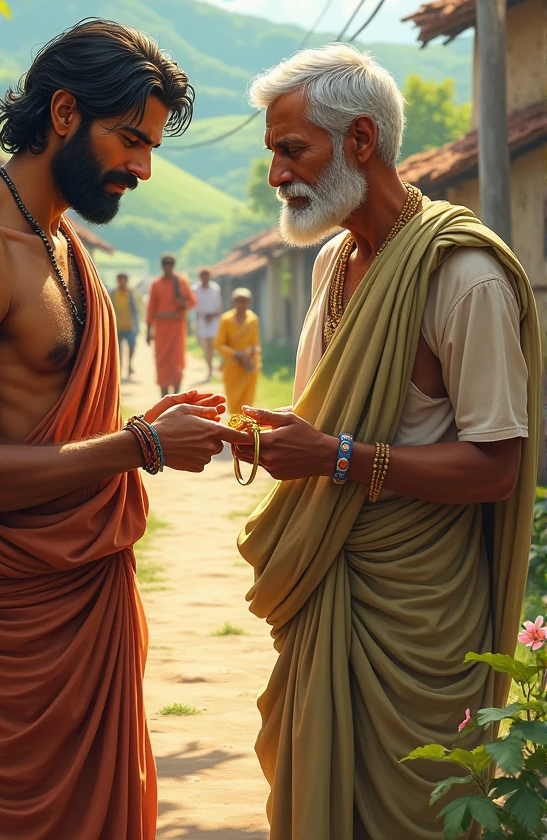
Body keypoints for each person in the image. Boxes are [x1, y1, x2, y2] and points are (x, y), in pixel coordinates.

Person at [0, 19, 244, 840]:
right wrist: (141, 448)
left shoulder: (62, 243)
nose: (143, 167)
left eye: (151, 146)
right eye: (131, 140)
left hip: (89, 599)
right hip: (12, 635)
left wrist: (142, 426)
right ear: (63, 113)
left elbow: (50, 424)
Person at [232, 44, 541, 840]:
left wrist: (334, 459)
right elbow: (339, 415)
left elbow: (498, 468)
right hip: (329, 587)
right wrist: (283, 441)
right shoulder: (335, 259)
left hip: (420, 624)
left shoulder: (462, 276)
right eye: (273, 153)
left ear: (360, 141)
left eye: (290, 149)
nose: (276, 175)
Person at [146, 254, 196, 397]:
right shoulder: (156, 284)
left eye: (170, 264)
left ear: (173, 266)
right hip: (161, 328)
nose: (168, 267)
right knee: (162, 359)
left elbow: (192, 301)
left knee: (177, 360)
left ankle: (176, 395)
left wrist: (183, 304)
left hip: (177, 327)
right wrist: (149, 330)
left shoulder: (181, 282)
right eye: (165, 264)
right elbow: (151, 307)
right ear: (162, 266)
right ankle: (164, 396)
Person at [214, 288, 260, 414]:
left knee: (247, 404)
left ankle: (245, 431)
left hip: (248, 365)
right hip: (232, 366)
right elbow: (218, 344)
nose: (241, 305)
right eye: (239, 301)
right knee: (233, 404)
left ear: (249, 302)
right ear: (233, 302)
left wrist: (249, 354)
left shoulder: (253, 319)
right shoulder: (226, 319)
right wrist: (235, 354)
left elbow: (255, 344)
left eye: (244, 301)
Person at [191, 268, 223, 382]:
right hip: (202, 321)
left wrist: (214, 315)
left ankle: (214, 367)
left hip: (214, 320)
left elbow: (218, 305)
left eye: (206, 276)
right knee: (206, 347)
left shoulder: (215, 288)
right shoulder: (195, 289)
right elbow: (193, 306)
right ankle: (209, 368)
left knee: (214, 345)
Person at [111, 272, 139, 377]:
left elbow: (136, 309)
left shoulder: (132, 293)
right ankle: (119, 368)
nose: (122, 282)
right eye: (120, 280)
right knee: (118, 351)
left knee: (132, 347)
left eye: (124, 280)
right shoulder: (113, 293)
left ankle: (130, 365)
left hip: (130, 326)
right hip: (117, 327)